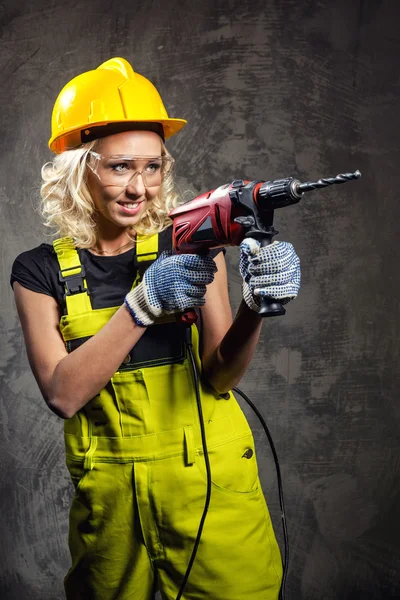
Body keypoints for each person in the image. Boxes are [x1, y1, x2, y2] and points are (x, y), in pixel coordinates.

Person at [11, 57, 301, 600]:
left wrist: (256, 308)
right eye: (120, 167)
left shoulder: (190, 241)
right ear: (80, 168)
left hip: (212, 494)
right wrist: (141, 306)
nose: (139, 187)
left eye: (153, 167)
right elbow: (64, 394)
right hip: (115, 515)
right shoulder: (38, 271)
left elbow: (221, 377)